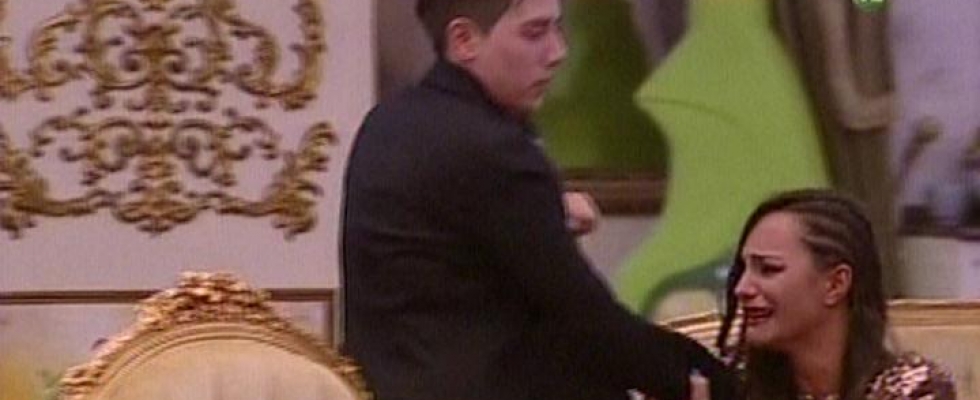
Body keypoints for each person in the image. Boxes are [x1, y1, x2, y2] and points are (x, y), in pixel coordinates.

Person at [340, 0, 740, 400]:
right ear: (463, 40)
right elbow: (586, 316)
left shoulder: (386, 124)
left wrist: (551, 209)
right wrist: (705, 379)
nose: (557, 52)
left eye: (556, 28)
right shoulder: (493, 150)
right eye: (534, 33)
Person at [717, 189, 956, 400]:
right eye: (743, 269)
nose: (742, 288)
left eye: (768, 269)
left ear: (835, 284)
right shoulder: (726, 382)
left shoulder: (913, 389)